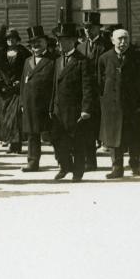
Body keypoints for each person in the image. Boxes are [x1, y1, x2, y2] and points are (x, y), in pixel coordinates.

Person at [99, 29, 140, 179]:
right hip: (112, 105)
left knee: (133, 135)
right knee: (114, 137)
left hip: (132, 104)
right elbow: (100, 81)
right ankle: (117, 167)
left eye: (126, 39)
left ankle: (135, 164)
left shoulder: (138, 57)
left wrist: (139, 98)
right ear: (112, 40)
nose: (123, 42)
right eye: (120, 39)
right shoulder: (104, 58)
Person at [49, 23, 95, 182]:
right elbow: (54, 86)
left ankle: (78, 171)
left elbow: (88, 87)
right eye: (58, 40)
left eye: (62, 40)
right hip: (57, 110)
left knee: (77, 142)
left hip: (75, 110)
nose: (59, 43)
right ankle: (64, 166)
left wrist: (86, 109)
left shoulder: (82, 61)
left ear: (72, 41)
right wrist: (51, 107)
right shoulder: (57, 61)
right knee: (57, 140)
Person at [76, 11, 112, 171]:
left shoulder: (107, 46)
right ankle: (90, 162)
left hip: (102, 92)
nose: (88, 31)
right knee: (87, 128)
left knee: (107, 127)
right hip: (86, 93)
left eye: (91, 27)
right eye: (85, 28)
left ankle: (116, 164)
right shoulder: (80, 47)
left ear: (98, 28)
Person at [18, 25, 55, 172]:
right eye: (33, 43)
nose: (36, 45)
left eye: (39, 41)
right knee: (32, 133)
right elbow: (23, 83)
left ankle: (62, 160)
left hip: (47, 103)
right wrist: (22, 101)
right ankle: (33, 162)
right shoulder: (27, 61)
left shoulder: (53, 59)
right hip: (30, 103)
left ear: (45, 42)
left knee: (53, 134)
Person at [0, 26, 31, 155]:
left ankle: (16, 144)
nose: (10, 41)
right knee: (4, 117)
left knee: (15, 117)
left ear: (17, 40)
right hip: (3, 90)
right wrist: (1, 83)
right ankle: (9, 141)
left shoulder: (25, 53)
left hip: (17, 89)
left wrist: (21, 81)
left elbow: (29, 68)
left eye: (13, 39)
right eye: (8, 39)